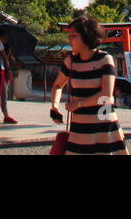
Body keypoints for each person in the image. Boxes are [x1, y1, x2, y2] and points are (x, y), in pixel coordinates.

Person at [49, 16, 126, 154]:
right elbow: (58, 85)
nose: (69, 40)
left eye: (73, 36)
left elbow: (106, 95)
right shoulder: (71, 61)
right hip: (80, 126)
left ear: (86, 37)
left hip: (103, 123)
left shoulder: (104, 59)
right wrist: (54, 106)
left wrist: (78, 104)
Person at [0, 26, 19, 124]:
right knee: (2, 94)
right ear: (2, 36)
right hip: (0, 70)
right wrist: (9, 70)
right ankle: (2, 115)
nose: (6, 39)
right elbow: (5, 58)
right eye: (5, 37)